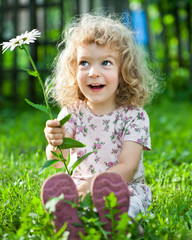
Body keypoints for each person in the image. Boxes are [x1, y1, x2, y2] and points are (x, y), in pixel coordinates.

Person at [41, 12, 158, 239]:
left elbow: (128, 167)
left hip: (124, 188)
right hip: (79, 188)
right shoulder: (71, 113)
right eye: (84, 63)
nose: (93, 72)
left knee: (128, 204)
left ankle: (122, 223)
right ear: (74, 70)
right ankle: (72, 224)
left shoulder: (134, 116)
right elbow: (58, 162)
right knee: (66, 198)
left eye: (106, 62)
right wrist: (54, 142)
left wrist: (93, 185)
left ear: (123, 70)